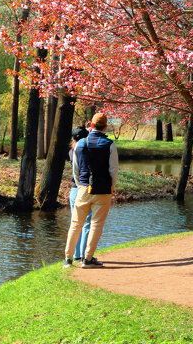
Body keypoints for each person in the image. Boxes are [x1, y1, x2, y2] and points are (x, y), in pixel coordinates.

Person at [63, 112, 119, 268]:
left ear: (91, 125)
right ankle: (87, 259)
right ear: (106, 126)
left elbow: (76, 169)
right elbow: (113, 170)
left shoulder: (80, 144)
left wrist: (81, 184)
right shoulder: (110, 145)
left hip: (82, 189)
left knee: (76, 223)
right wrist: (111, 187)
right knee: (96, 225)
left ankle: (68, 259)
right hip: (102, 190)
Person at [66, 126, 92, 263]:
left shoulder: (72, 151)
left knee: (75, 222)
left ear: (73, 138)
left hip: (74, 189)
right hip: (85, 188)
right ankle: (84, 255)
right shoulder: (87, 150)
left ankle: (75, 255)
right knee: (87, 222)